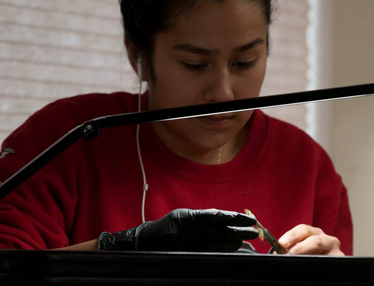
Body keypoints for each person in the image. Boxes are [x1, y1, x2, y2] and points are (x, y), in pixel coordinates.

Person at [0, 0, 352, 255]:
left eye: (245, 61)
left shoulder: (307, 166)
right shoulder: (62, 140)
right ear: (137, 54)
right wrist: (124, 247)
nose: (223, 92)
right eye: (195, 64)